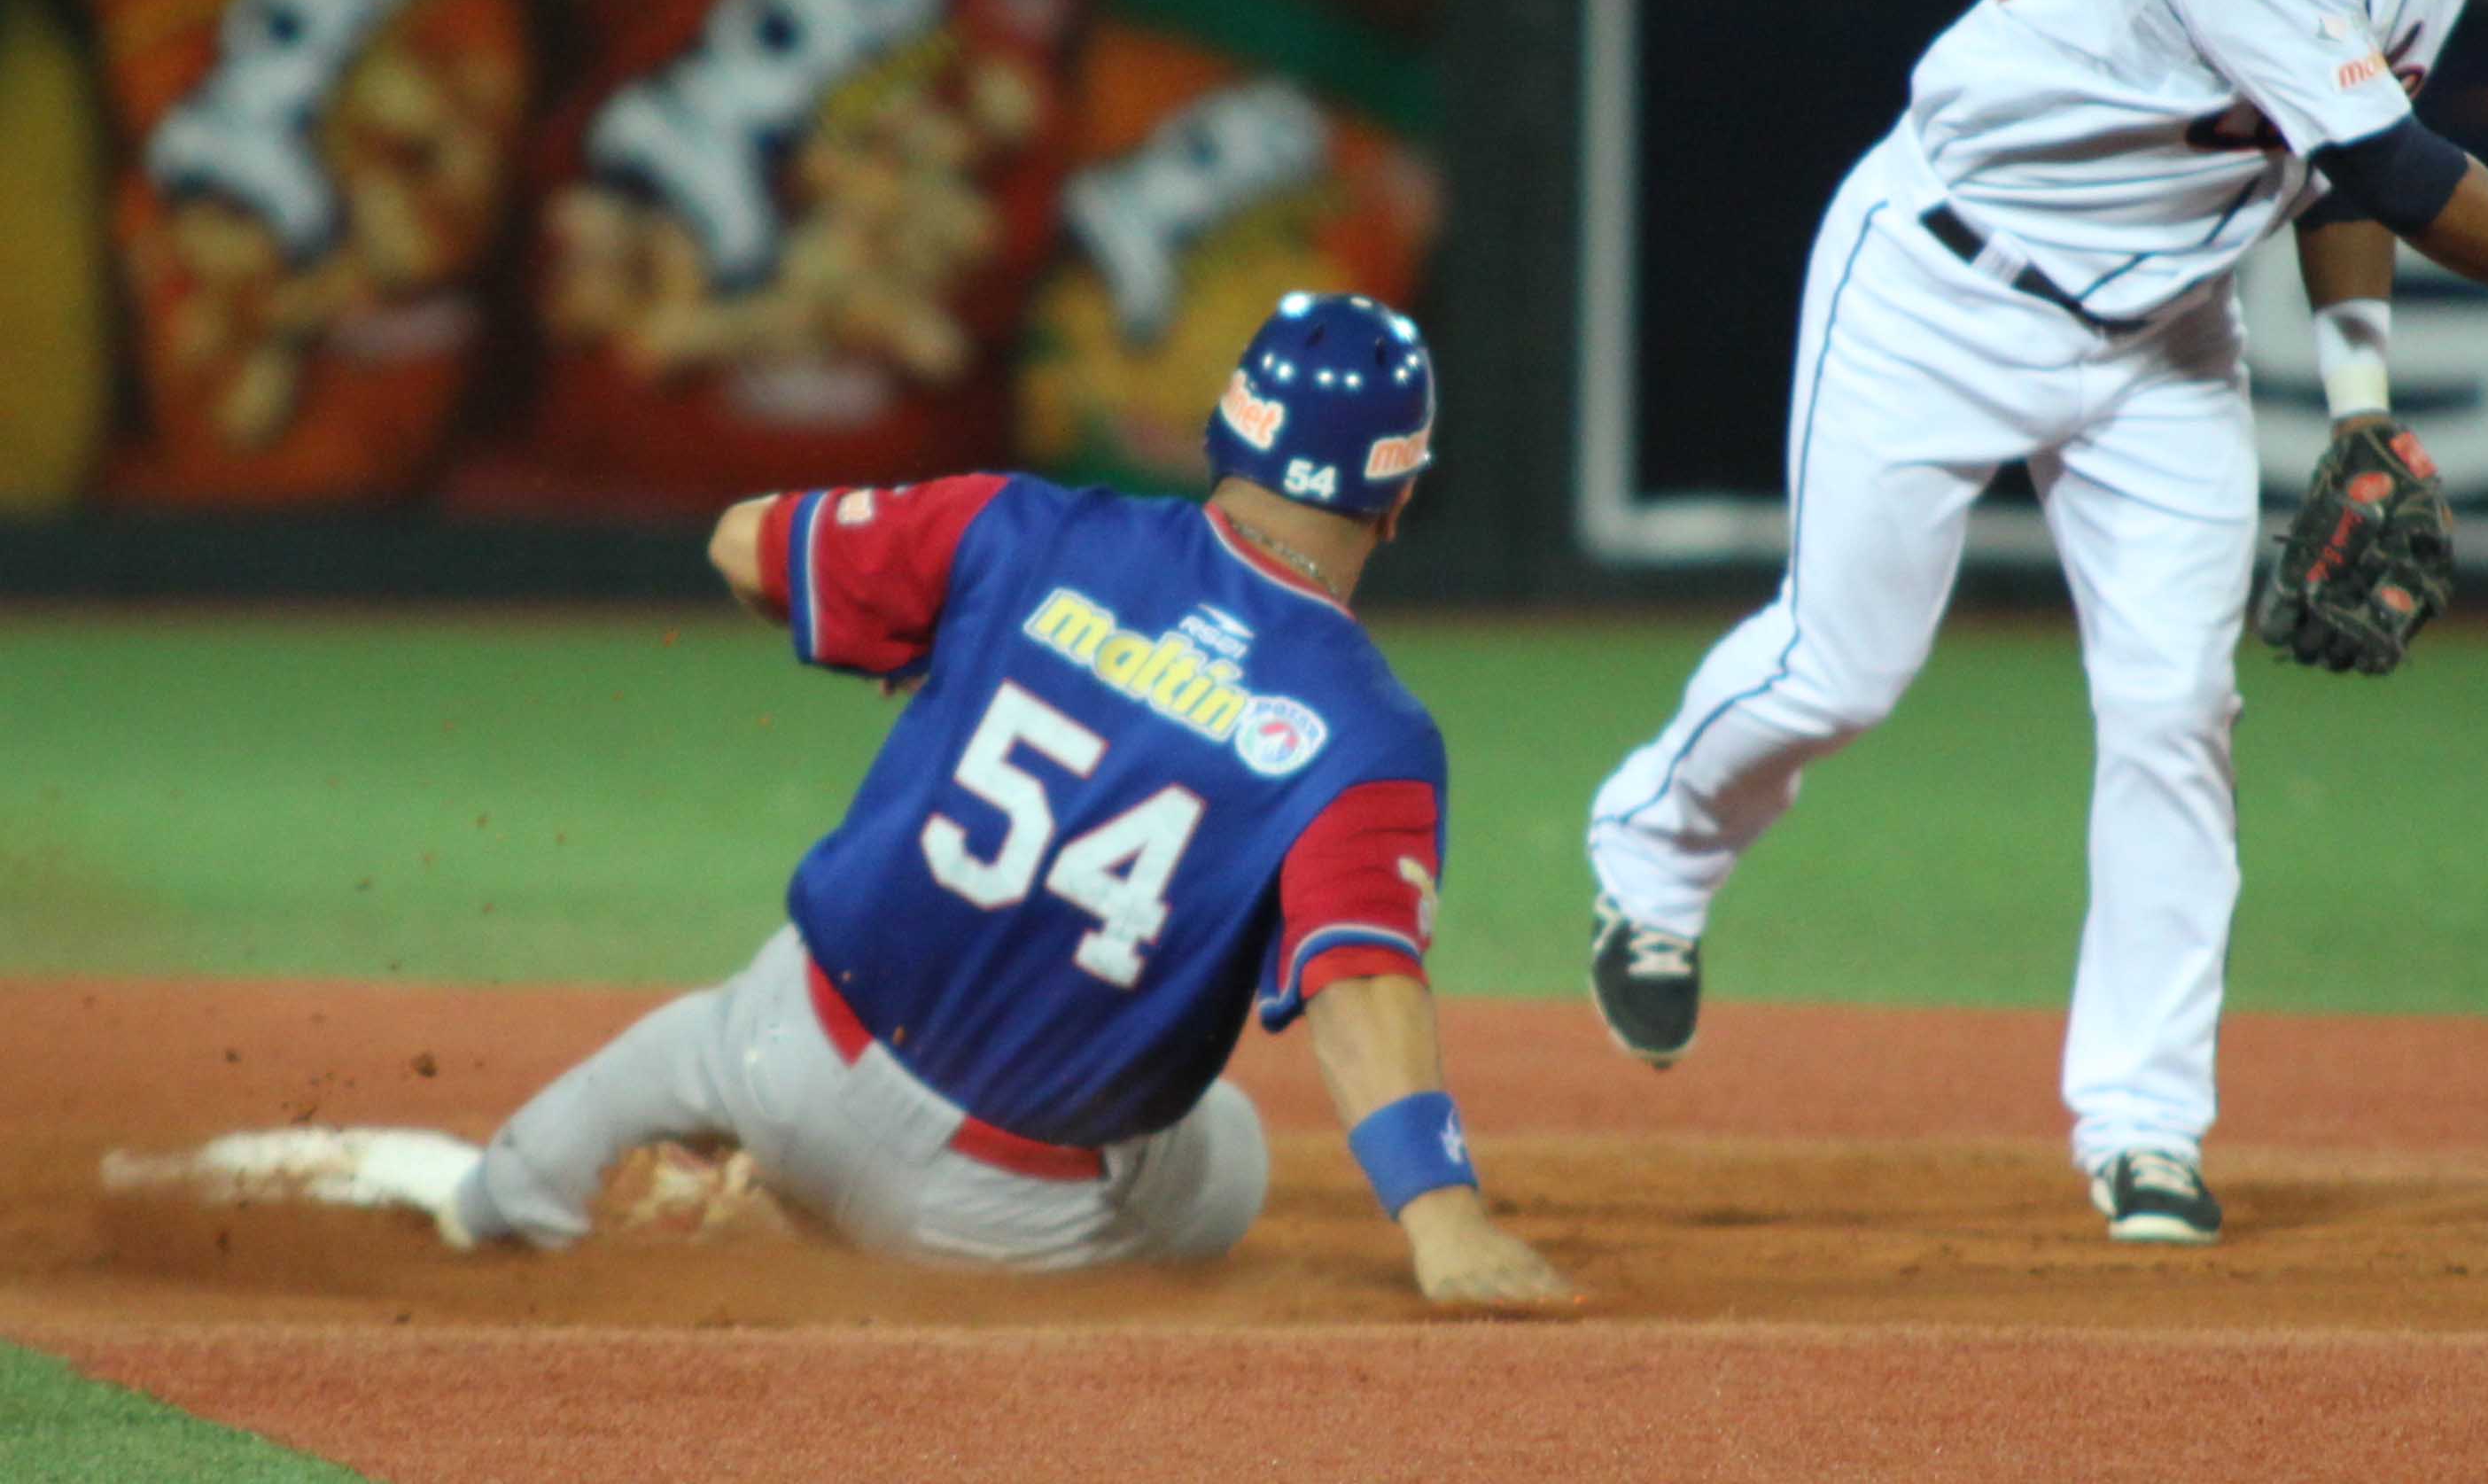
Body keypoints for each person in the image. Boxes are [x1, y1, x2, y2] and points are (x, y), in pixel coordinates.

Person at [1581, 0, 2488, 1245]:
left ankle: (2144, 1125)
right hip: (1942, 280)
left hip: (2163, 333)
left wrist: (2363, 407)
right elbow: (2392, 160)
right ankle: (1655, 855)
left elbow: (2332, 169)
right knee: (1843, 665)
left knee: (2178, 710)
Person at [143, 294, 1571, 1309]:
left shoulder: (1028, 529)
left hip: (770, 1057)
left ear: (1228, 435)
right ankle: (801, 1242)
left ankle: (515, 1205)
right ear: (1396, 501)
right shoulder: (1368, 732)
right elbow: (1359, 984)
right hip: (987, 1215)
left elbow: (745, 543)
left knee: (510, 1195)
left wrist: (954, 636)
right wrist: (1442, 1228)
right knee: (1231, 1161)